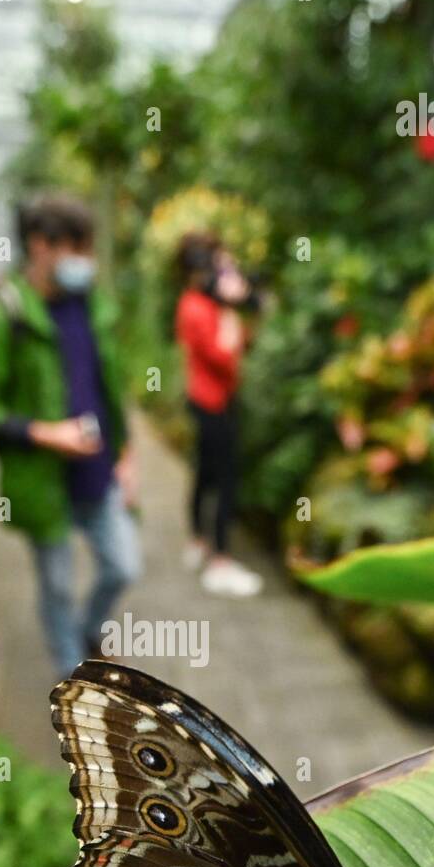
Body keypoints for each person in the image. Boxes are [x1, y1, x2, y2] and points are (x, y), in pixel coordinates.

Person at [0, 194, 140, 677]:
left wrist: (127, 456)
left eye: (87, 248)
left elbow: (110, 389)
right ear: (40, 246)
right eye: (75, 248)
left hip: (98, 469)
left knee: (123, 566)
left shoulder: (92, 305)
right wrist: (47, 433)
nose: (85, 260)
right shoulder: (3, 315)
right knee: (58, 584)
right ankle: (73, 676)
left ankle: (91, 629)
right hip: (43, 482)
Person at [175, 233, 263, 597]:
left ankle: (199, 541)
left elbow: (246, 341)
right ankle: (220, 561)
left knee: (206, 473)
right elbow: (225, 357)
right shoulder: (198, 307)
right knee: (224, 479)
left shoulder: (201, 304)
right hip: (212, 403)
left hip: (211, 400)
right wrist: (231, 310)